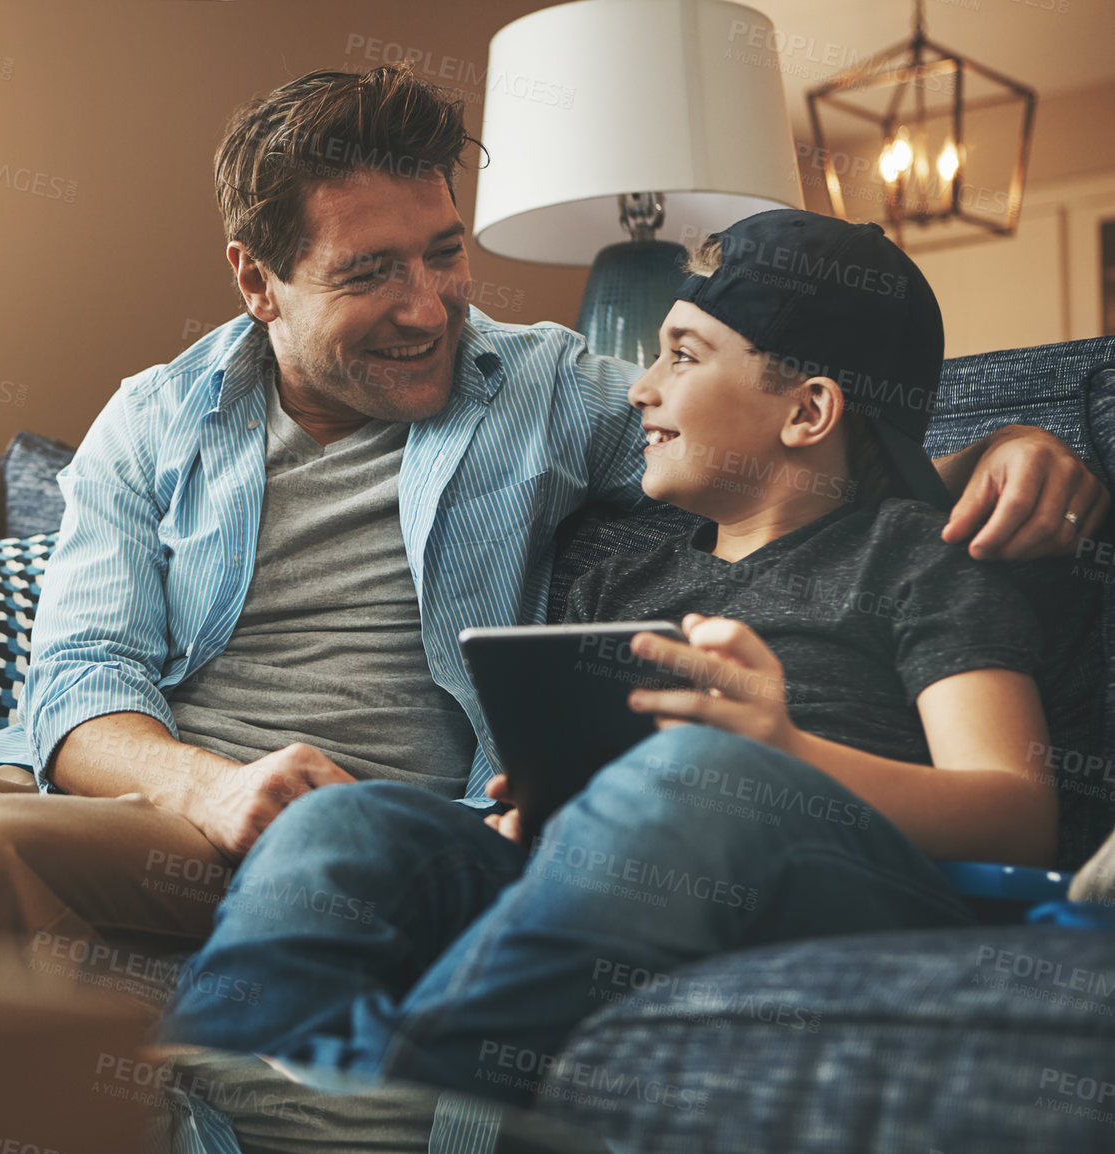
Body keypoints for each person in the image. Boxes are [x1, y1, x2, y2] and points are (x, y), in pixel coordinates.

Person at [0, 66, 1105, 991]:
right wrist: (197, 781)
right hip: (148, 795)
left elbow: (784, 445)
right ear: (259, 277)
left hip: (342, 823)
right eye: (373, 272)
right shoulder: (152, 420)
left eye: (445, 253)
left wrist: (1020, 439)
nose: (431, 304)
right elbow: (77, 682)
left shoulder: (544, 386)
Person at [160, 207, 1107, 1100]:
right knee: (349, 825)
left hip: (850, 881)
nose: (641, 386)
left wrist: (784, 753)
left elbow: (1016, 812)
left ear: (809, 411)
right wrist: (543, 800)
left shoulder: (916, 559)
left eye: (682, 356)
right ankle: (219, 1095)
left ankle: (409, 1099)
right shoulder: (626, 574)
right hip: (618, 877)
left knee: (697, 773)